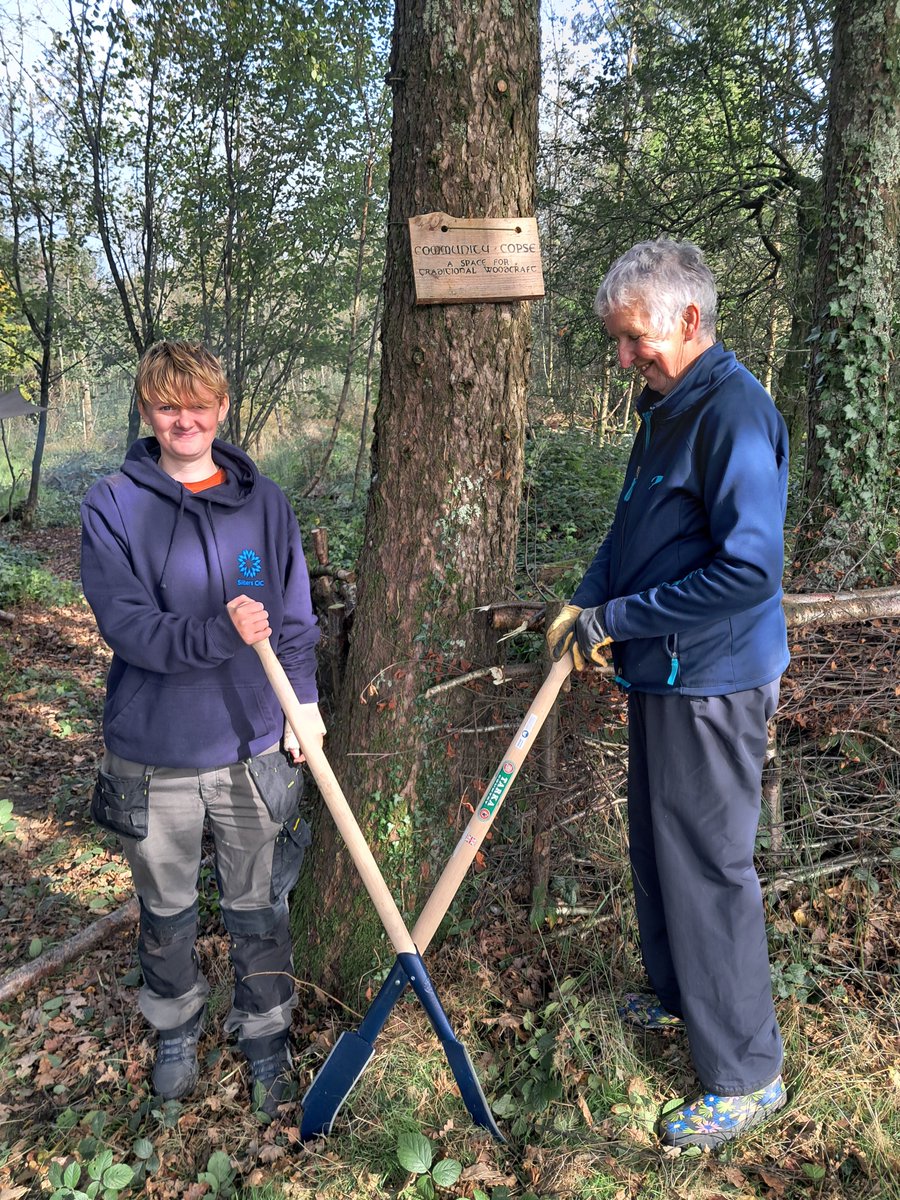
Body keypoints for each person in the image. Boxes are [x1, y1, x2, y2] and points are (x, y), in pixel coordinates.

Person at [546, 239, 789, 1150]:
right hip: (663, 668)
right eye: (616, 341)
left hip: (714, 677)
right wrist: (588, 596)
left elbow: (751, 571)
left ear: (690, 320)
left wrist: (618, 619)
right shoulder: (665, 406)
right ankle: (678, 991)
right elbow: (630, 522)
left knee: (710, 866)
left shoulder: (733, 412)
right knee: (656, 844)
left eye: (634, 338)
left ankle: (746, 1073)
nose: (624, 358)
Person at [81, 340, 324, 1120]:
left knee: (260, 904)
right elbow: (129, 628)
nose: (183, 420)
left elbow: (291, 618)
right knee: (167, 909)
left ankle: (265, 1034)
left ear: (222, 409)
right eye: (165, 406)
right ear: (147, 412)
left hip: (253, 743)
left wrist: (304, 705)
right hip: (153, 752)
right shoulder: (113, 504)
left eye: (198, 405)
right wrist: (219, 632)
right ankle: (175, 1028)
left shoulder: (265, 503)